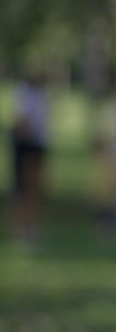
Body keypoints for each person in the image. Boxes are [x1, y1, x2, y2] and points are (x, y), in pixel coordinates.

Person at [10, 72, 51, 248]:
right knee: (25, 189)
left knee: (33, 189)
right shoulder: (25, 93)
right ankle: (23, 230)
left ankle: (30, 228)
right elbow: (23, 122)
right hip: (28, 146)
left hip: (36, 145)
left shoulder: (39, 94)